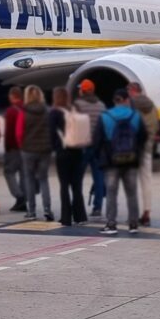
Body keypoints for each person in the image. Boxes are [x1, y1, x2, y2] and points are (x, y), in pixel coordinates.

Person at [99, 89, 147, 233]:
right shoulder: (135, 115)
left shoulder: (106, 116)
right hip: (131, 160)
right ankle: (133, 224)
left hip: (111, 160)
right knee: (131, 192)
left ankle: (111, 223)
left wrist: (100, 157)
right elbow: (143, 137)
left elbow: (98, 139)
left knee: (111, 193)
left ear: (114, 100)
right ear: (126, 100)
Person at [51, 86, 89, 225]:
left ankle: (66, 217)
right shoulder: (74, 110)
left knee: (64, 185)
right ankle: (80, 216)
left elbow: (51, 133)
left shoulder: (54, 113)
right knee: (77, 185)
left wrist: (54, 147)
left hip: (63, 152)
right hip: (78, 150)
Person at [20, 85, 55, 220]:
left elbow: (19, 131)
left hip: (28, 149)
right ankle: (47, 209)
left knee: (29, 179)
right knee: (43, 179)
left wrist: (22, 145)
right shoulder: (48, 111)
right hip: (44, 149)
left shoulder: (23, 112)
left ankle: (32, 211)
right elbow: (52, 130)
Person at [128, 81, 160, 226]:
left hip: (133, 148)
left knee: (131, 182)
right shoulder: (151, 105)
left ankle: (133, 215)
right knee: (146, 181)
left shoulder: (131, 104)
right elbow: (156, 125)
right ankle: (147, 212)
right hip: (148, 147)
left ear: (132, 90)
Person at [74, 80, 107, 212]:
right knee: (98, 177)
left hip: (83, 146)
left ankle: (78, 205)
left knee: (78, 177)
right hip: (98, 146)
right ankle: (97, 207)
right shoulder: (101, 105)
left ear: (83, 90)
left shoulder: (78, 105)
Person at [2, 86, 27, 212]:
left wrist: (7, 148)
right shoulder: (26, 109)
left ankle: (19, 196)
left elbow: (9, 133)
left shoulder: (11, 111)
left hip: (14, 147)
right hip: (26, 147)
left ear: (12, 96)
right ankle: (24, 200)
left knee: (8, 172)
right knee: (23, 174)